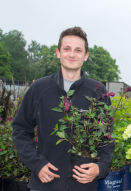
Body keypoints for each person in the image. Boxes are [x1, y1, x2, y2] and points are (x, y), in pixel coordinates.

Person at [12, 27, 114, 191]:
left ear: (86, 56)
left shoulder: (97, 91)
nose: (72, 54)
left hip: (84, 185)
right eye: (67, 49)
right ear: (58, 52)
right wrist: (36, 164)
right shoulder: (39, 89)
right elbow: (20, 129)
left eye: (78, 50)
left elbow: (107, 136)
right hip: (45, 184)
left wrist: (101, 167)